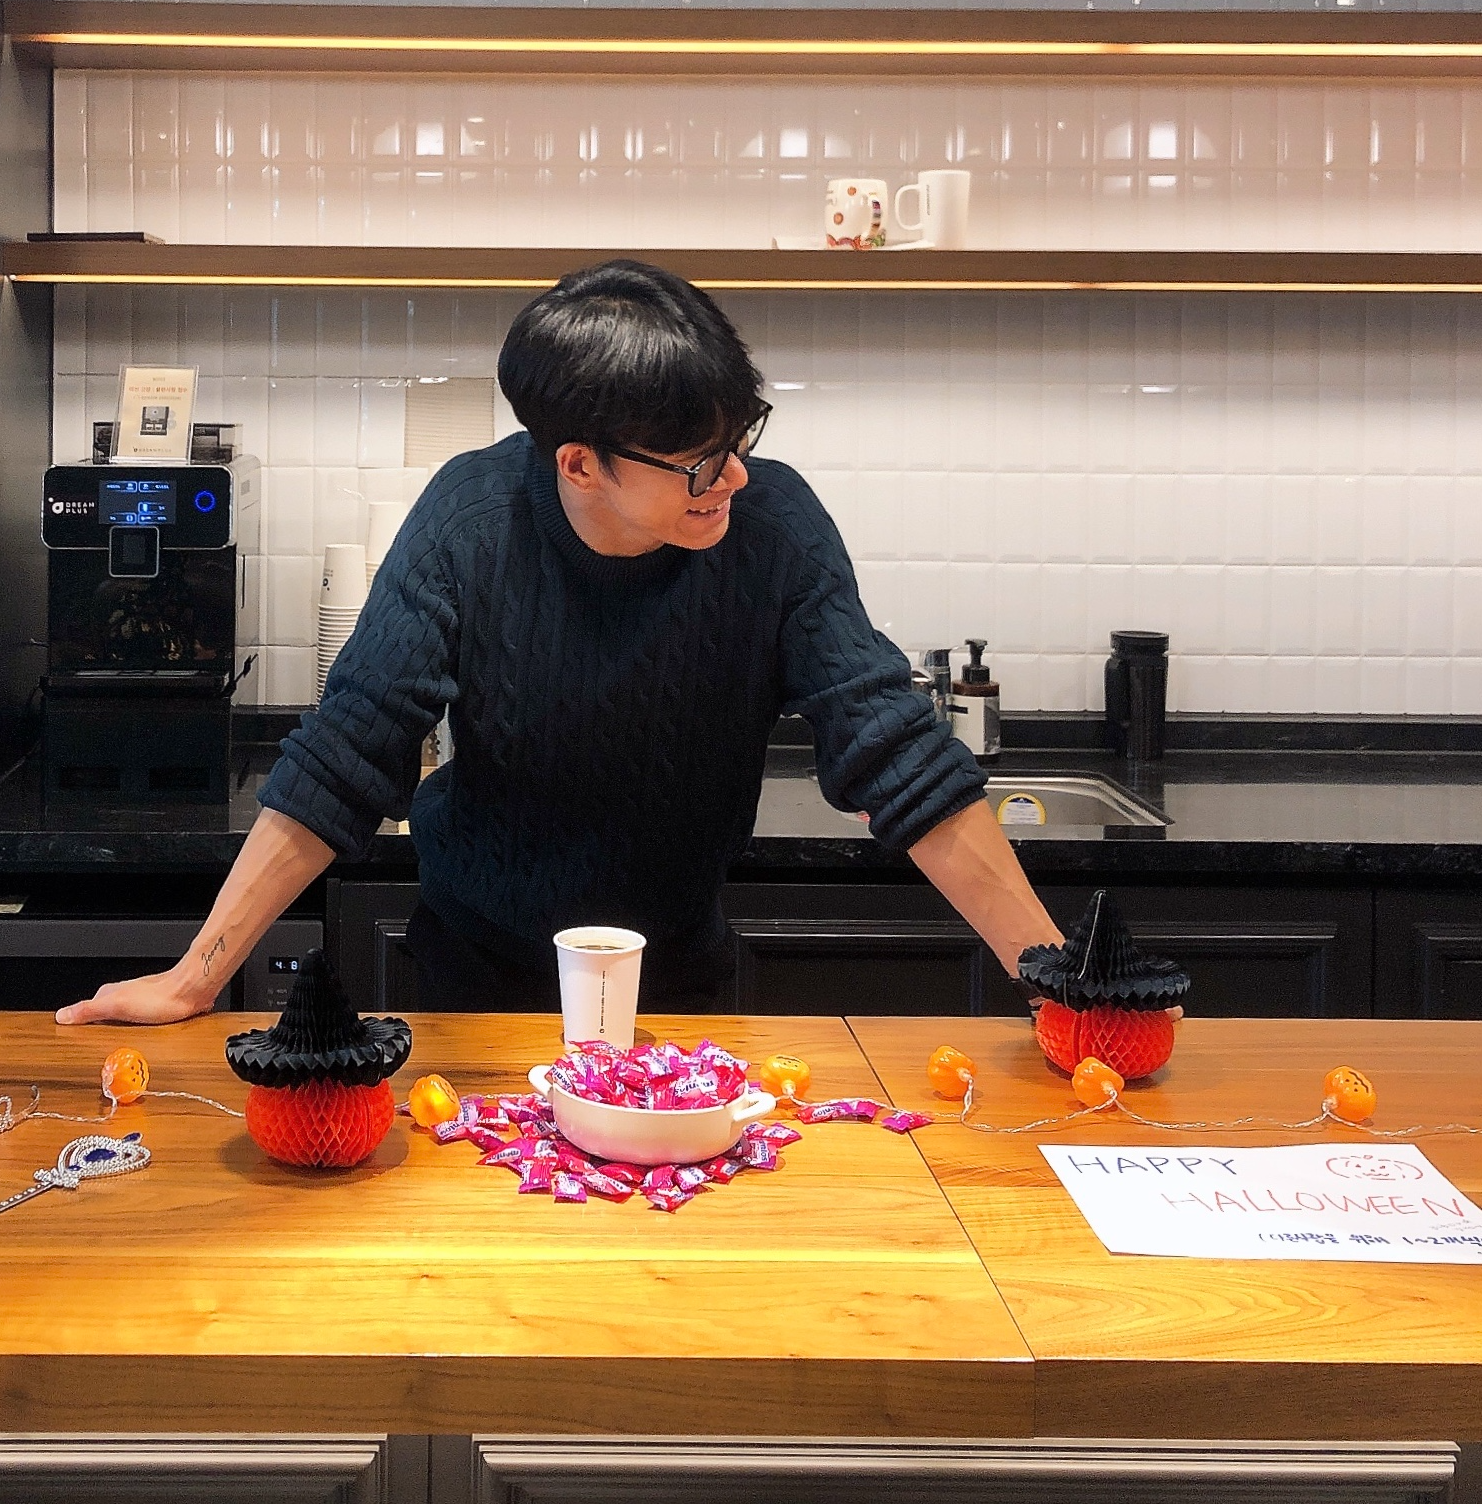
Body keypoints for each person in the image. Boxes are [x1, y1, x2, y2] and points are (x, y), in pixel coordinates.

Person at [58, 259, 1063, 1025]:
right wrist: (195, 977)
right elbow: (346, 752)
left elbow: (895, 750)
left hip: (676, 983)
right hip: (478, 984)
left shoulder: (774, 529)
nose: (734, 477)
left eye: (739, 438)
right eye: (699, 461)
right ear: (579, 464)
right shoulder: (470, 521)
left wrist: (1060, 985)